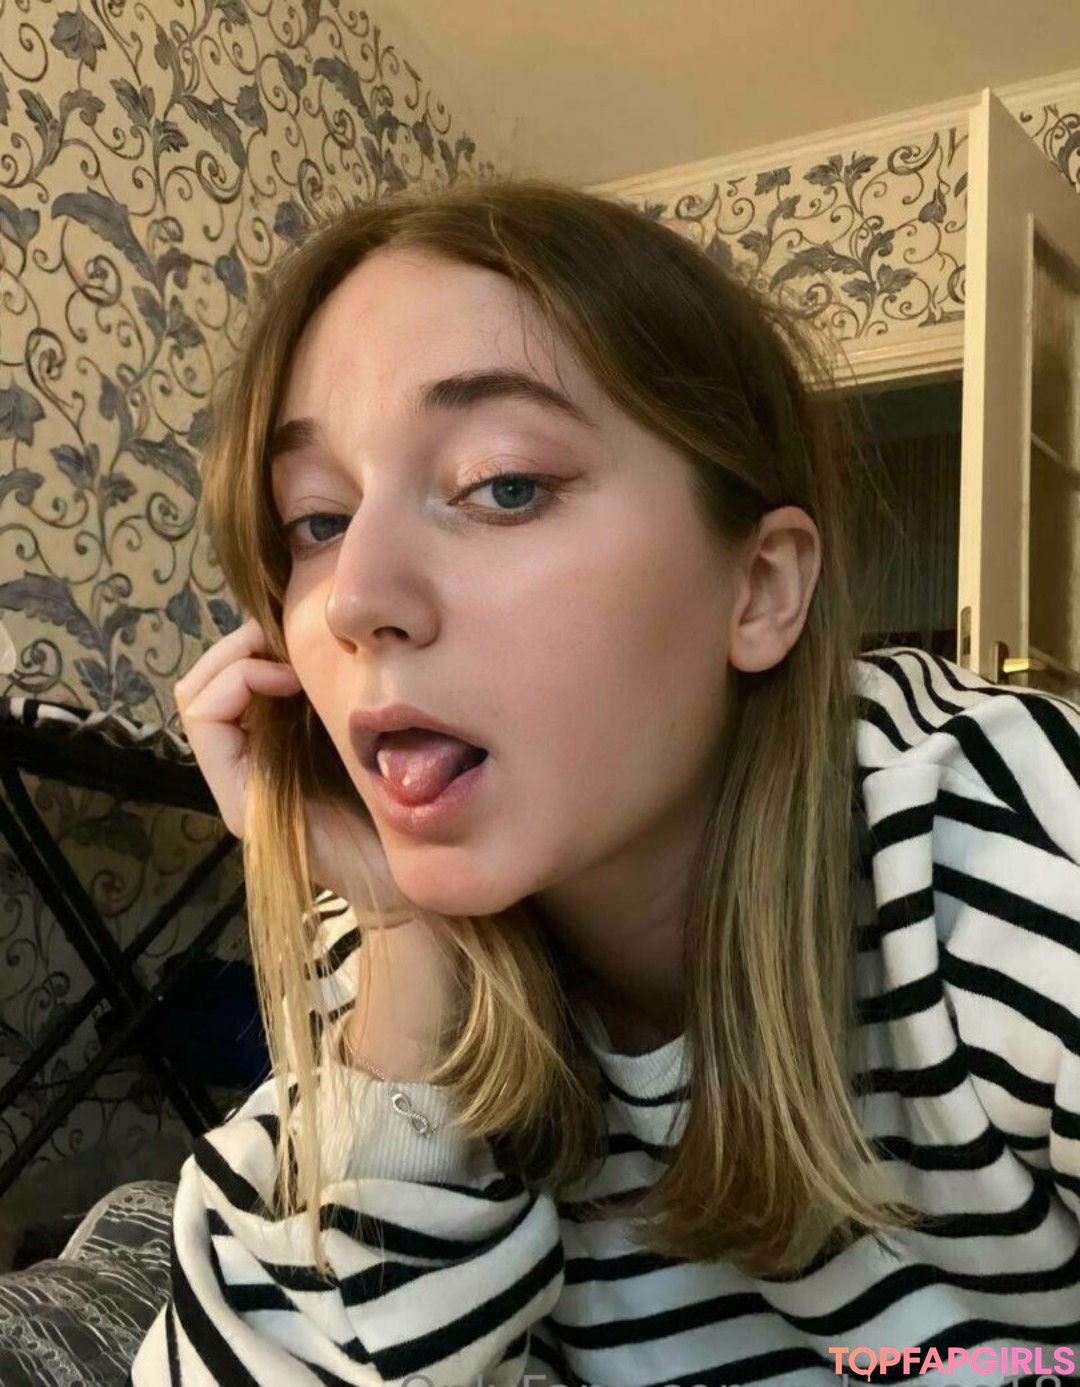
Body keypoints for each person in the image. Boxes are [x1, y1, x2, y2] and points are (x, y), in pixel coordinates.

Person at [130, 176, 1080, 1387]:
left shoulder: (998, 839)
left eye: (504, 485)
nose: (355, 598)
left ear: (759, 588)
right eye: (315, 520)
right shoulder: (375, 953)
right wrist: (407, 938)